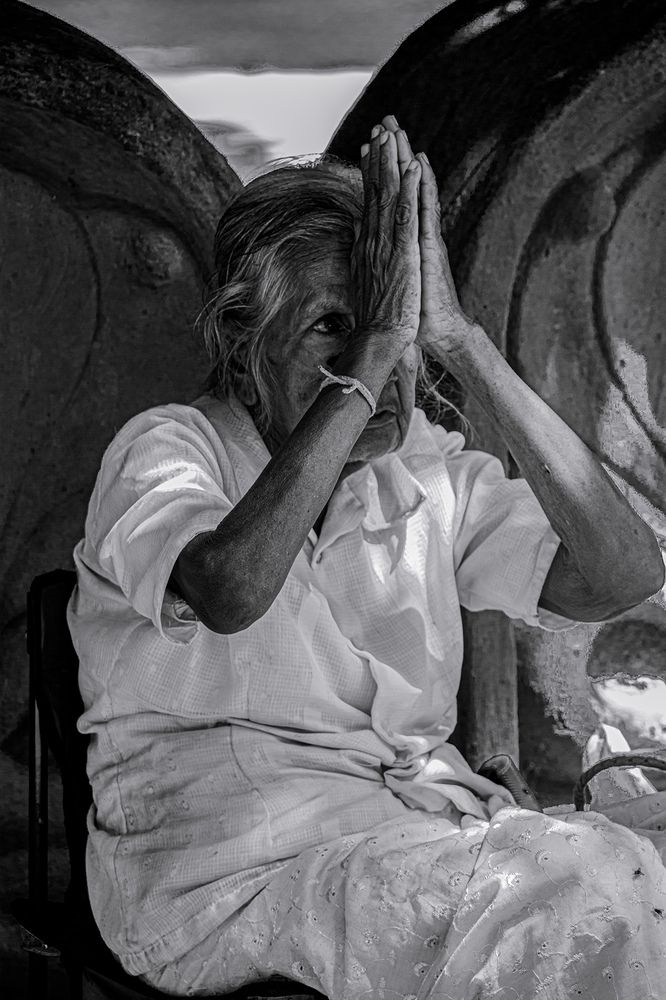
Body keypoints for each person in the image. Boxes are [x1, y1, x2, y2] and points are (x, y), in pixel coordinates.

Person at [68, 116, 666, 999]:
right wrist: (380, 347)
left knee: (621, 871)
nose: (379, 371)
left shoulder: (419, 466)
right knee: (575, 886)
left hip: (411, 839)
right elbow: (229, 591)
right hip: (230, 873)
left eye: (389, 333)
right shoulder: (166, 452)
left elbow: (624, 576)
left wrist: (458, 338)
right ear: (243, 340)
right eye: (332, 329)